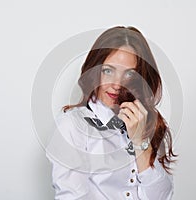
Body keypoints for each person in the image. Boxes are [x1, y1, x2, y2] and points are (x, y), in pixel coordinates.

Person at [46, 26, 177, 200]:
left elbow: (162, 196)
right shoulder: (72, 125)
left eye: (129, 74)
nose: (117, 84)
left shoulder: (147, 121)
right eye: (108, 71)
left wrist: (140, 142)